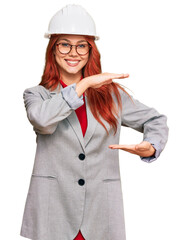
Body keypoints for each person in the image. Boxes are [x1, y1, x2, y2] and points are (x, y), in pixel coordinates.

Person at [20, 4, 169, 240]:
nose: (73, 52)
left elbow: (155, 119)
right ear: (53, 49)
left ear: (90, 51)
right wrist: (84, 85)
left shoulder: (111, 96)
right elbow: (43, 122)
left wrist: (151, 144)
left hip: (101, 213)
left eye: (82, 45)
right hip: (53, 215)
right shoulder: (37, 95)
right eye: (65, 44)